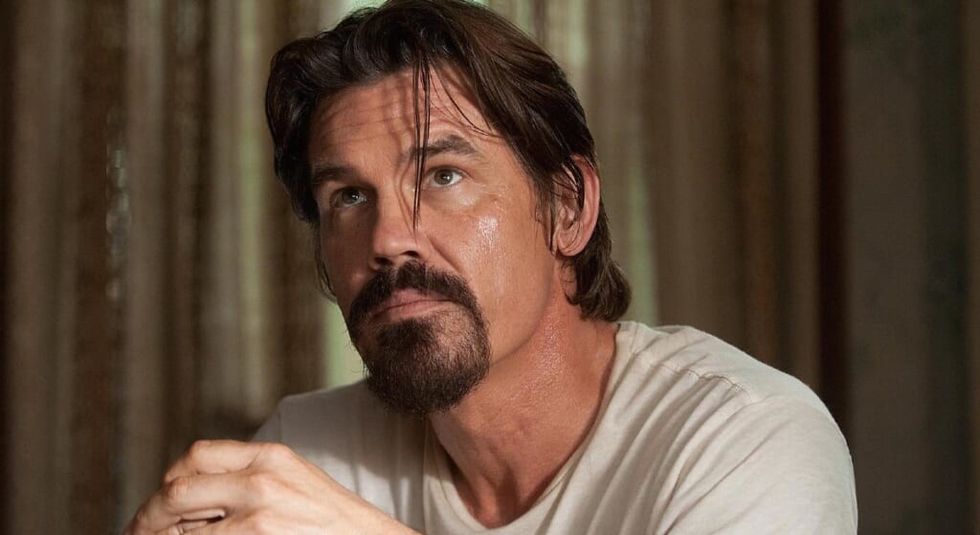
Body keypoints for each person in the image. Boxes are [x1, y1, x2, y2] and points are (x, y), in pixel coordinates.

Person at [125, 0, 857, 533]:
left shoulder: (743, 437)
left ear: (569, 207)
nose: (388, 238)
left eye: (443, 176)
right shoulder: (310, 453)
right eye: (348, 196)